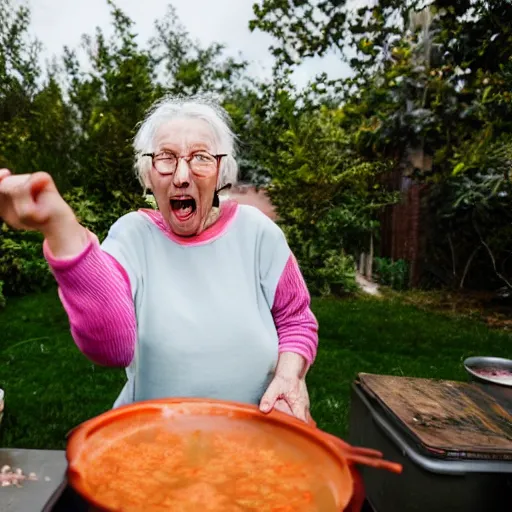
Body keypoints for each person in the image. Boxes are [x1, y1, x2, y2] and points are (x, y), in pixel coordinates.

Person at [0, 95, 318, 422]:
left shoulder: (259, 234)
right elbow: (111, 347)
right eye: (165, 158)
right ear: (148, 173)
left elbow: (296, 319)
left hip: (255, 442)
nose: (181, 175)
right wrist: (62, 229)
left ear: (221, 170)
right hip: (154, 445)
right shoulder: (132, 236)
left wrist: (289, 377)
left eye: (201, 157)